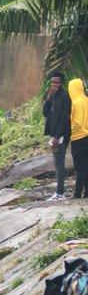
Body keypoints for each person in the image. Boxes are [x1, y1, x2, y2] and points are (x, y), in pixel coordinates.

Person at [44, 71, 72, 200]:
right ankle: (58, 192)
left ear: (62, 83)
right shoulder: (53, 96)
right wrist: (48, 98)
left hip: (60, 135)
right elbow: (45, 113)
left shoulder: (65, 96)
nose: (55, 85)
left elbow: (65, 118)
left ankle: (60, 193)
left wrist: (57, 137)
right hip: (53, 134)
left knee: (59, 163)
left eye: (57, 83)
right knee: (57, 162)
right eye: (53, 82)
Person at [71, 77, 88, 198]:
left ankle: (77, 193)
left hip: (78, 138)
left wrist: (69, 129)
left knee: (80, 167)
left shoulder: (76, 102)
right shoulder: (86, 99)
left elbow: (77, 123)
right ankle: (85, 192)